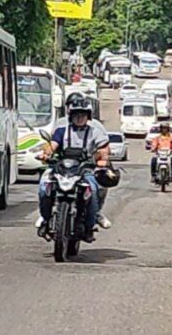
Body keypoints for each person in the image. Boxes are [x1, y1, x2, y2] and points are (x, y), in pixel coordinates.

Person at [36, 94, 112, 242]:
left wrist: (103, 160)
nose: (79, 118)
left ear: (88, 116)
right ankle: (45, 220)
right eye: (76, 114)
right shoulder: (61, 131)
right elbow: (52, 146)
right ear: (71, 115)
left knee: (94, 190)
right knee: (44, 188)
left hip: (85, 170)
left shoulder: (94, 132)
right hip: (61, 169)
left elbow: (104, 150)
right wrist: (46, 154)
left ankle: (90, 226)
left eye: (83, 115)